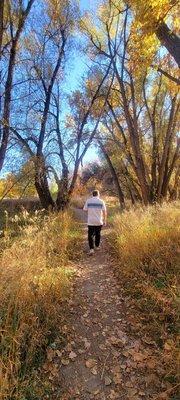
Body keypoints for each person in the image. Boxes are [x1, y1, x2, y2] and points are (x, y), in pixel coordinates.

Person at [83, 190, 107, 255]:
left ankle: (91, 249)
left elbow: (84, 209)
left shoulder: (88, 201)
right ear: (98, 194)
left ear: (92, 194)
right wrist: (105, 220)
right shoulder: (101, 201)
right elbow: (104, 212)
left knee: (90, 235)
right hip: (99, 221)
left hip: (91, 221)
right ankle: (97, 246)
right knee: (98, 234)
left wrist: (91, 211)